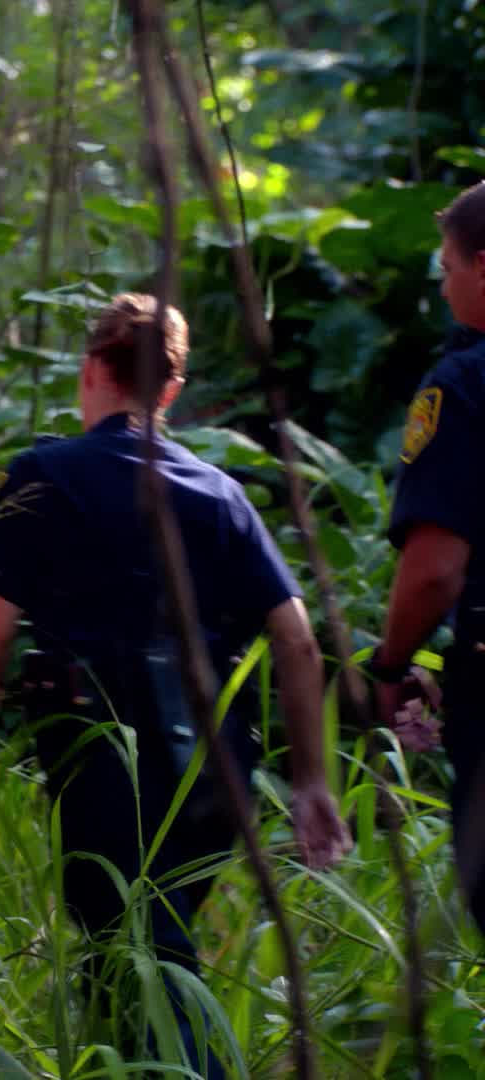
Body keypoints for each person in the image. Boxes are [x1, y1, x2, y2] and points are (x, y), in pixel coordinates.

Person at [0, 293, 351, 1075]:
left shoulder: (44, 476)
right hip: (213, 766)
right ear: (171, 390)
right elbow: (298, 641)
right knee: (143, 952)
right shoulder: (221, 494)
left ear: (90, 369)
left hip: (103, 755)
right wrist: (310, 783)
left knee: (140, 960)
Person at [371, 180, 485, 931]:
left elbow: (436, 567)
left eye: (448, 269)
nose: (444, 290)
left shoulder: (465, 384)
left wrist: (390, 665)